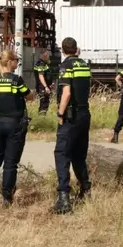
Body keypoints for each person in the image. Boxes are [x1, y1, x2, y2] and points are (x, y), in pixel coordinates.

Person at [0, 49, 35, 207]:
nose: (17, 63)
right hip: (14, 124)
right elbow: (28, 96)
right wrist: (34, 94)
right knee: (10, 163)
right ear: (9, 62)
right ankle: (6, 196)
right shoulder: (16, 80)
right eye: (16, 60)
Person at [51, 37, 92, 214]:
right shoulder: (84, 65)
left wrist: (60, 113)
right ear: (76, 49)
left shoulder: (66, 66)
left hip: (71, 115)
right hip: (84, 113)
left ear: (63, 50)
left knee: (62, 153)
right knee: (78, 155)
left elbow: (66, 93)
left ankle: (63, 198)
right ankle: (86, 190)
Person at [33, 50, 53, 115]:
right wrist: (46, 87)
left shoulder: (45, 63)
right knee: (43, 103)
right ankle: (41, 118)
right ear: (44, 56)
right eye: (48, 55)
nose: (49, 57)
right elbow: (41, 76)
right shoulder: (41, 64)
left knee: (46, 103)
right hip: (42, 87)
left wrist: (50, 84)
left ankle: (43, 117)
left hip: (46, 86)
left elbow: (47, 75)